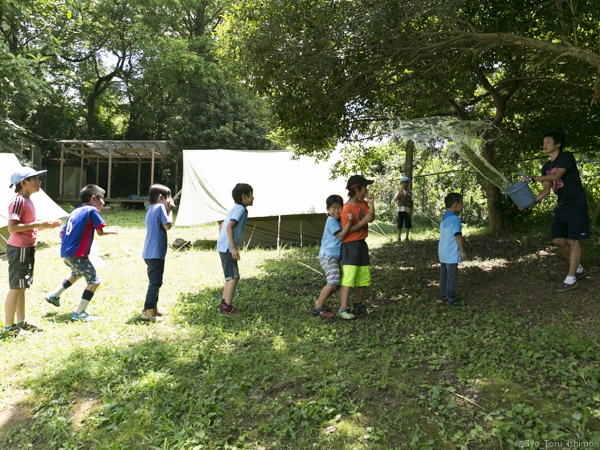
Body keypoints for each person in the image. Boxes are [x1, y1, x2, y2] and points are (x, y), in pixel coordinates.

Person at [523, 131, 589, 292]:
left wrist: (532, 178)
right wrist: (528, 203)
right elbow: (546, 191)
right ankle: (578, 268)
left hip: (576, 204)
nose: (544, 144)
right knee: (558, 241)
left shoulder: (566, 157)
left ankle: (571, 278)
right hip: (562, 206)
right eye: (543, 142)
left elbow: (557, 176)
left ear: (558, 144)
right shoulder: (546, 167)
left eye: (548, 141)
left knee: (574, 241)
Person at [44, 184, 119, 321]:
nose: (103, 202)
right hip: (78, 254)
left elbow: (61, 234)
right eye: (102, 199)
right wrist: (113, 231)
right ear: (93, 198)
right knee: (94, 281)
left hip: (66, 254)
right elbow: (100, 231)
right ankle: (79, 314)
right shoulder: (91, 210)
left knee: (76, 274)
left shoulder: (74, 212)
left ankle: (54, 295)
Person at [3, 168, 61, 337]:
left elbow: (27, 226)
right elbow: (12, 227)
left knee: (22, 287)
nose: (39, 182)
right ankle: (9, 327)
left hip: (27, 248)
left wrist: (44, 225)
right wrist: (38, 223)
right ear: (23, 183)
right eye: (34, 179)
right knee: (16, 287)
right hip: (19, 249)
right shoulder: (19, 200)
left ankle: (21, 323)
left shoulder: (28, 200)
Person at [338, 175, 375, 320]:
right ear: (356, 190)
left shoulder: (363, 204)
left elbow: (371, 218)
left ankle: (358, 305)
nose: (366, 190)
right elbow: (347, 231)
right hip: (350, 246)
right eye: (364, 187)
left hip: (361, 245)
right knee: (349, 277)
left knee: (363, 276)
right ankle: (343, 308)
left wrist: (371, 203)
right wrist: (362, 222)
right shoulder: (346, 208)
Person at [312, 195, 353, 319]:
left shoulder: (339, 220)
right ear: (327, 209)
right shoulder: (331, 221)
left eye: (339, 208)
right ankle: (318, 307)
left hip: (333, 256)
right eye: (333, 208)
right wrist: (350, 224)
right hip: (328, 256)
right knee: (333, 282)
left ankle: (320, 303)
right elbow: (341, 236)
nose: (336, 211)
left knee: (336, 283)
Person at [216, 183, 254, 316]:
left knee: (229, 277)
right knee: (234, 277)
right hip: (227, 248)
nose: (253, 197)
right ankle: (227, 307)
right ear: (244, 196)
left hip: (222, 246)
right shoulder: (240, 210)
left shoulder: (235, 208)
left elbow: (222, 225)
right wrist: (233, 248)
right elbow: (228, 227)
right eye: (251, 195)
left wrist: (222, 241)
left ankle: (224, 303)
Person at [140, 184, 175, 322]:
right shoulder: (161, 207)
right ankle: (147, 311)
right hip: (155, 252)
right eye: (168, 197)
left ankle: (153, 308)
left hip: (150, 252)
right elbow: (168, 225)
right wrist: (170, 210)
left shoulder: (151, 208)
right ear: (161, 197)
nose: (170, 200)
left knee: (156, 281)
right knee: (155, 282)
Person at [439, 193, 467, 307]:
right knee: (452, 275)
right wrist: (462, 250)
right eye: (462, 204)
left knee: (444, 274)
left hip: (442, 251)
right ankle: (451, 297)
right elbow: (458, 235)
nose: (462, 206)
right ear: (455, 205)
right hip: (451, 252)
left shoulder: (444, 217)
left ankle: (445, 294)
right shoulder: (455, 219)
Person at [393, 176, 414, 242]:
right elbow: (395, 199)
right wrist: (399, 192)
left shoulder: (410, 192)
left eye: (405, 183)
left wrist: (411, 212)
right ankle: (399, 237)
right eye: (403, 183)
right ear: (401, 184)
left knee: (407, 224)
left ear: (408, 184)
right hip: (400, 210)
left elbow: (412, 203)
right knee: (399, 224)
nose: (404, 185)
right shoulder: (398, 191)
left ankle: (407, 237)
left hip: (407, 210)